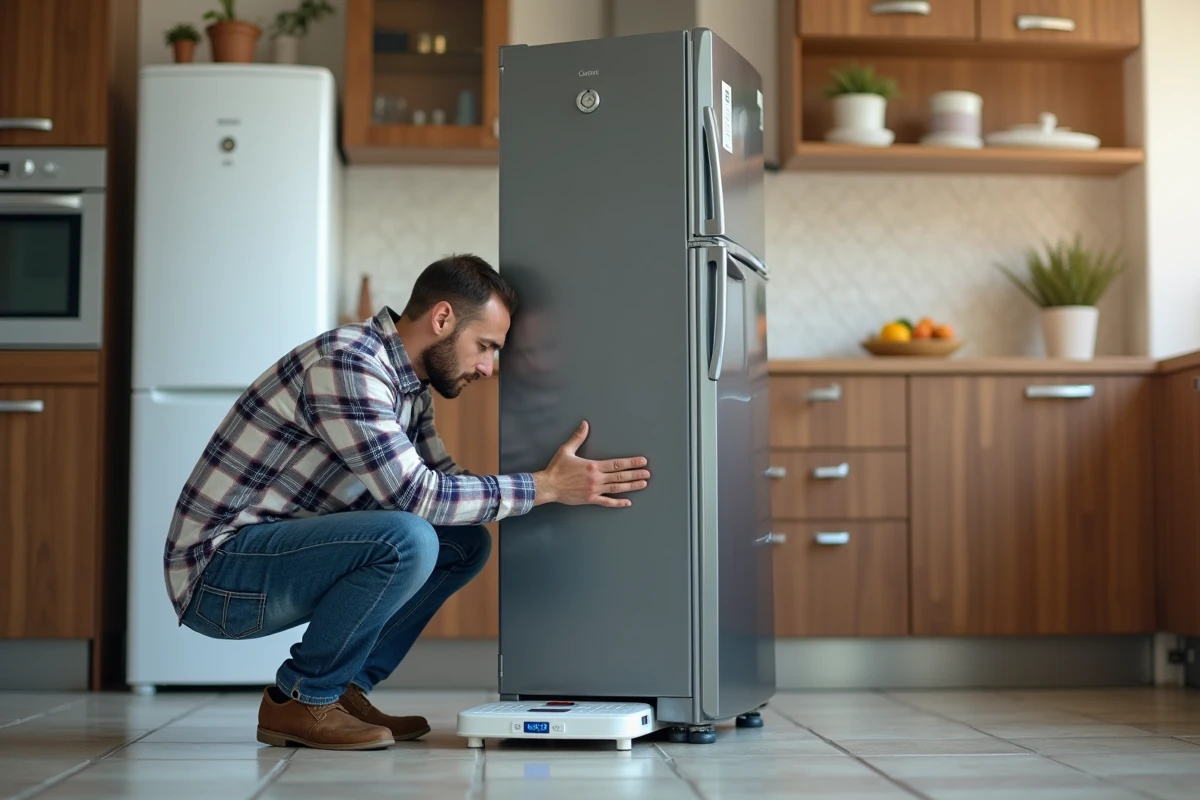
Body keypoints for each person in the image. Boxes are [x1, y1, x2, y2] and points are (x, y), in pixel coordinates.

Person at [164, 254, 651, 751]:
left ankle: (342, 689)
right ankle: (303, 698)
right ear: (442, 319)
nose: (488, 367)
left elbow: (445, 480)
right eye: (485, 346)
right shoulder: (349, 364)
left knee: (462, 543)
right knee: (409, 538)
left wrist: (553, 516)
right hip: (219, 577)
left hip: (270, 557)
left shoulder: (411, 385)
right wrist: (543, 486)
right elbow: (416, 495)